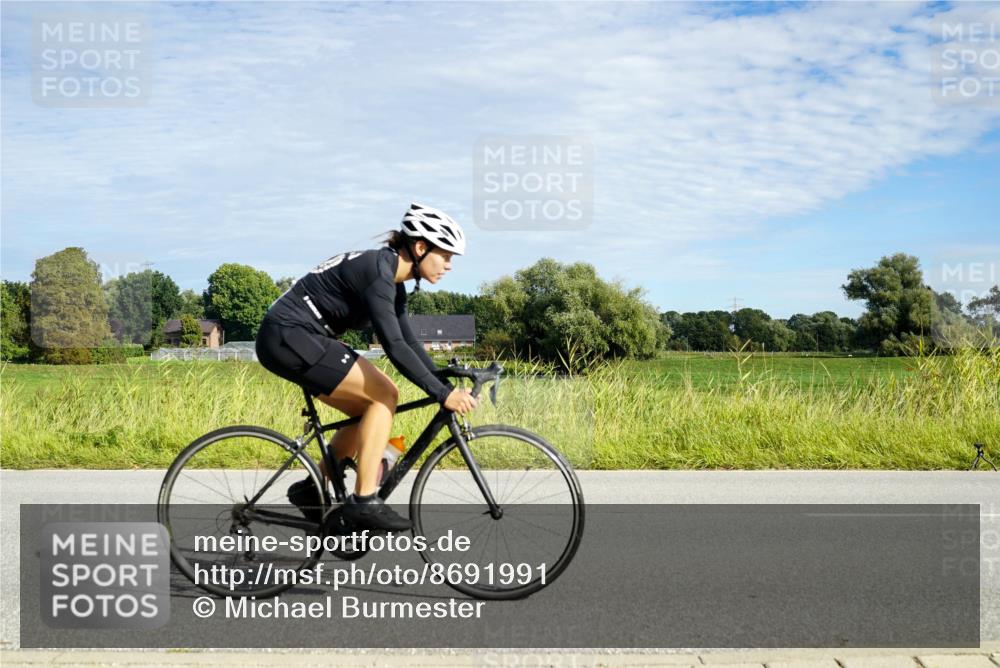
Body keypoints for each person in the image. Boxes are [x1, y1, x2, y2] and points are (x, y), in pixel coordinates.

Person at [254, 202, 477, 531]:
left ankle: (311, 487)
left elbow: (410, 341)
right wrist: (442, 394)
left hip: (297, 338)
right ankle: (364, 501)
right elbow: (394, 346)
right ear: (419, 247)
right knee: (385, 394)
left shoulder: (391, 279)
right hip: (290, 335)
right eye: (445, 255)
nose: (449, 266)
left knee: (367, 409)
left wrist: (442, 376)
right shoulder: (378, 274)